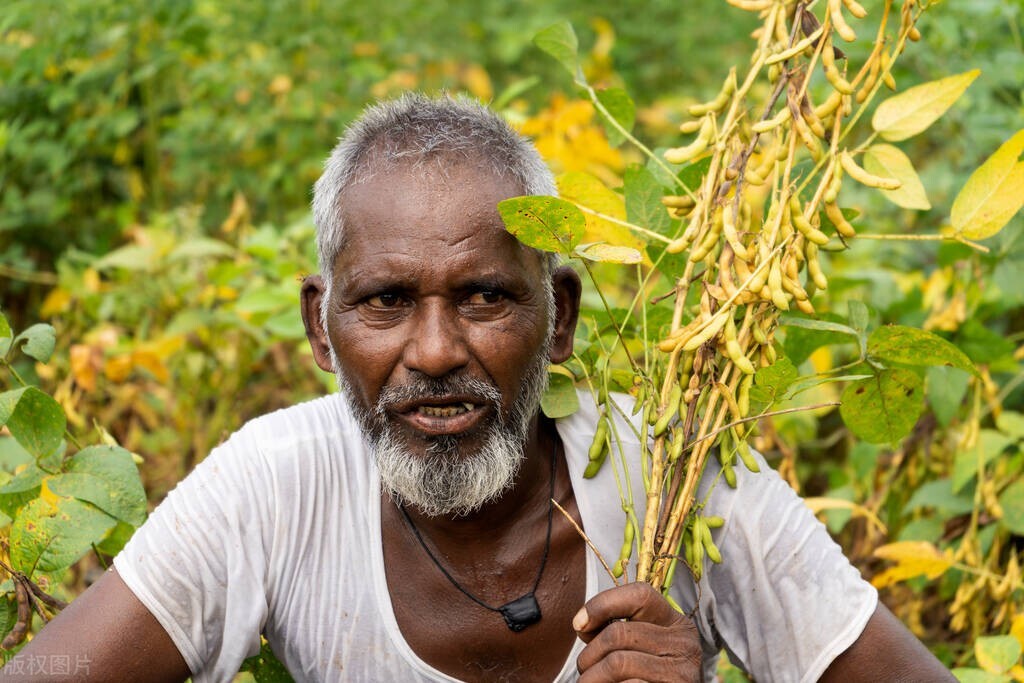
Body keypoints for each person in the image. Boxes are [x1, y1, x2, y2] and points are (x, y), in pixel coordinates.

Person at [3, 94, 953, 683]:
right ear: (319, 329)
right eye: (384, 301)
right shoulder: (272, 483)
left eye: (487, 297)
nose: (435, 351)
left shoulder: (669, 466)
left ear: (563, 315)